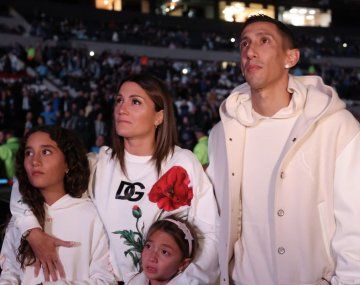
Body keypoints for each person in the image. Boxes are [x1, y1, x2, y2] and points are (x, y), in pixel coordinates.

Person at [10, 74, 219, 284]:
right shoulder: (100, 164)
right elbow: (30, 177)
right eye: (119, 100)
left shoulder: (181, 163)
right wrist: (32, 231)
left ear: (159, 116)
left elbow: (209, 235)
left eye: (135, 102)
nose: (122, 108)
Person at [206, 14, 360, 285]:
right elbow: (217, 221)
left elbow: (354, 226)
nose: (250, 51)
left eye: (263, 41)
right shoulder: (222, 134)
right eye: (244, 44)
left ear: (291, 58)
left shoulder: (336, 126)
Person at [0, 126, 116, 284]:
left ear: (67, 163)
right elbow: (9, 274)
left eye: (46, 152)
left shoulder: (92, 216)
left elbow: (105, 279)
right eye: (29, 153)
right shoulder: (21, 218)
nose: (35, 161)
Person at [128, 215, 198, 284]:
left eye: (164, 252)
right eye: (148, 246)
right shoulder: (134, 281)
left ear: (183, 264)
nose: (152, 258)